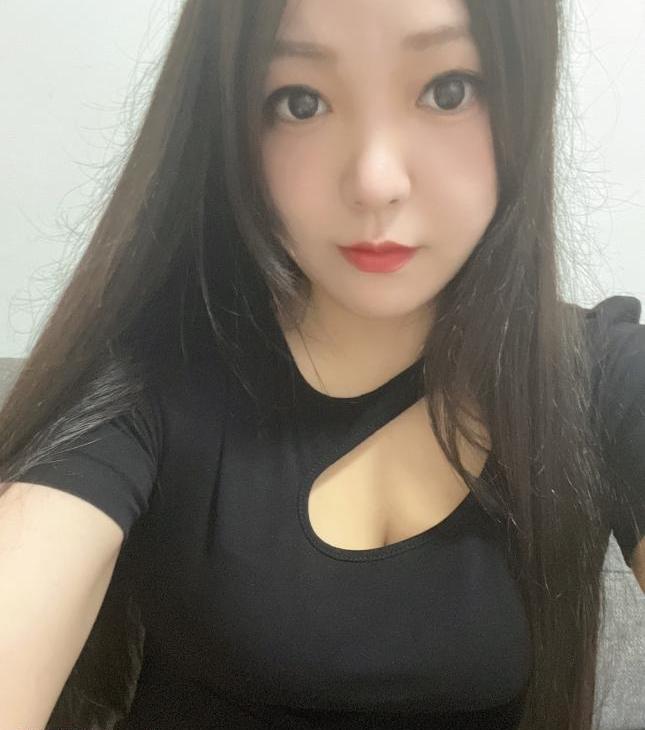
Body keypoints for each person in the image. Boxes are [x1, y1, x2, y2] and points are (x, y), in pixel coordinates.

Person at [0, 0, 643, 728]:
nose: (374, 181)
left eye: (448, 90)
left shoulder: (597, 376)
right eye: (300, 102)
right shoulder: (149, 380)